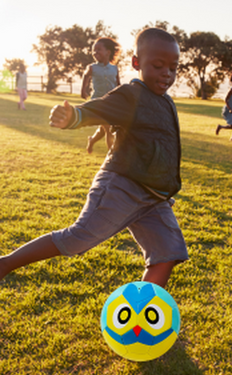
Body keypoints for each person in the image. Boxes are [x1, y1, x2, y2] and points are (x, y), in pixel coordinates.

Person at [0, 28, 188, 289]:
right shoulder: (130, 95)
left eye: (173, 67)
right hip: (121, 187)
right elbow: (98, 109)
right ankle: (5, 263)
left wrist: (165, 188)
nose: (167, 73)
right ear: (136, 63)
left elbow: (164, 149)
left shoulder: (167, 102)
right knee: (78, 238)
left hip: (154, 198)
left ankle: (141, 316)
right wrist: (73, 117)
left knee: (168, 253)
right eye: (158, 66)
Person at [81, 37, 121, 153]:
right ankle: (112, 156)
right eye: (94, 50)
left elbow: (118, 85)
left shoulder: (114, 69)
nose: (95, 52)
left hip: (112, 102)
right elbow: (86, 76)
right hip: (99, 103)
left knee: (104, 129)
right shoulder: (92, 68)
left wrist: (122, 96)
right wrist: (83, 90)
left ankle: (92, 140)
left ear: (108, 52)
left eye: (98, 49)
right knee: (108, 129)